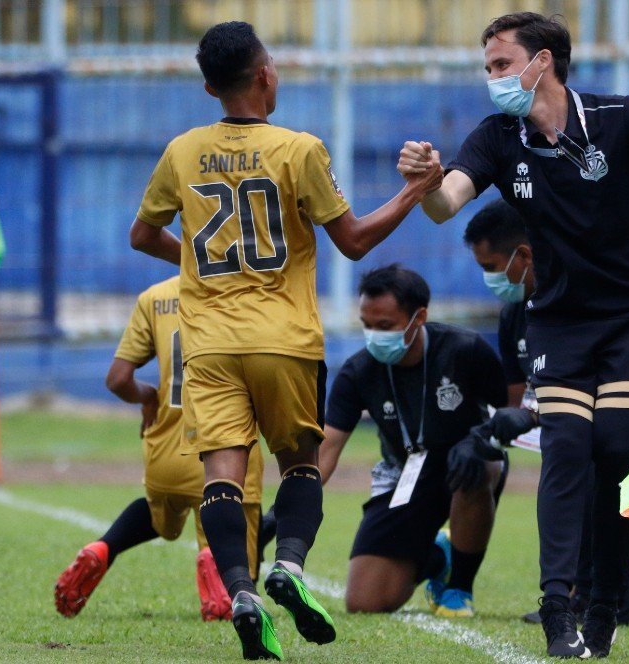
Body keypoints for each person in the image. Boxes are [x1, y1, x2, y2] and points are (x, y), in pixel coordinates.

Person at [396, 11, 629, 658]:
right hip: (560, 319)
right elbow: (447, 201)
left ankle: (605, 604)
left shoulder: (619, 117)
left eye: (502, 65)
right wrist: (425, 180)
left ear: (544, 63)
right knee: (567, 447)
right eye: (486, 68)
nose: (493, 79)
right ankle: (557, 609)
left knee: (619, 450)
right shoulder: (497, 137)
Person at [128, 21, 443, 661]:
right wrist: (414, 191)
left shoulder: (182, 151)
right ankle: (290, 567)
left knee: (222, 474)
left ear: (212, 86)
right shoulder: (299, 149)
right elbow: (352, 240)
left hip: (208, 344)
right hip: (284, 339)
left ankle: (242, 592)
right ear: (265, 76)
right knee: (299, 464)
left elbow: (142, 234)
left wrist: (195, 263)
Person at [462, 199, 629, 622]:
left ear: (524, 254)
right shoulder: (514, 313)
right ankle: (584, 591)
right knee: (570, 447)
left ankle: (587, 595)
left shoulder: (581, 290)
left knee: (591, 449)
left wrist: (529, 416)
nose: (491, 278)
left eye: (493, 265)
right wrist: (487, 435)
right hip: (582, 413)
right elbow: (518, 404)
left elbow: (596, 387)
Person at [53, 276, 264, 622]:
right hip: (224, 449)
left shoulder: (155, 297)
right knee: (236, 565)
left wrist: (148, 396)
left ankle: (103, 548)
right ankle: (218, 590)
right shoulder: (246, 289)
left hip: (164, 451)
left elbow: (118, 379)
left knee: (157, 515)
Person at [318, 265, 508, 617]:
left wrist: (479, 439)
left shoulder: (465, 349)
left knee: (479, 465)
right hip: (404, 474)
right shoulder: (357, 371)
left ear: (418, 317)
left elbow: (511, 411)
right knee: (364, 604)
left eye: (385, 326)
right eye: (366, 325)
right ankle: (439, 556)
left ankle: (458, 588)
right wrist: (281, 515)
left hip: (465, 464)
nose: (374, 336)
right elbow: (324, 454)